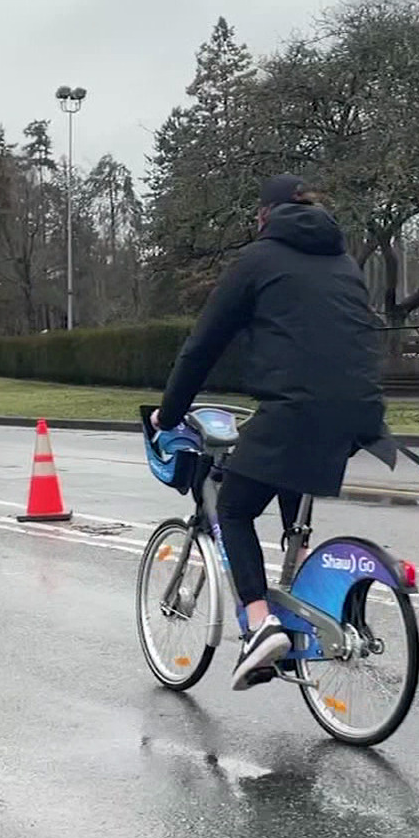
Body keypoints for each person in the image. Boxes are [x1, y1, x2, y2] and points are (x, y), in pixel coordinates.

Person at [152, 174, 385, 690]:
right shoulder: (344, 260)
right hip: (358, 411)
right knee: (286, 481)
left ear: (264, 215)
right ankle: (302, 595)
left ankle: (260, 625)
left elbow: (202, 345)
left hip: (295, 407)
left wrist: (168, 415)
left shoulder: (259, 260)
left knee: (233, 508)